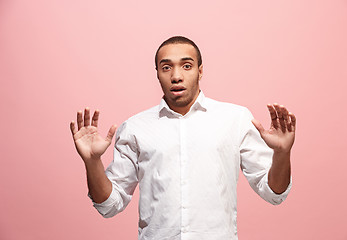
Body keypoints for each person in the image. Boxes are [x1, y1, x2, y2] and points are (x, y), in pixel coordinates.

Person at [70, 36, 296, 239]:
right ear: (157, 73)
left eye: (186, 66)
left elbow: (273, 193)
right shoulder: (135, 128)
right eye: (166, 67)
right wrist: (92, 162)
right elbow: (109, 205)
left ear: (200, 70)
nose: (176, 76)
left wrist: (282, 153)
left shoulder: (235, 118)